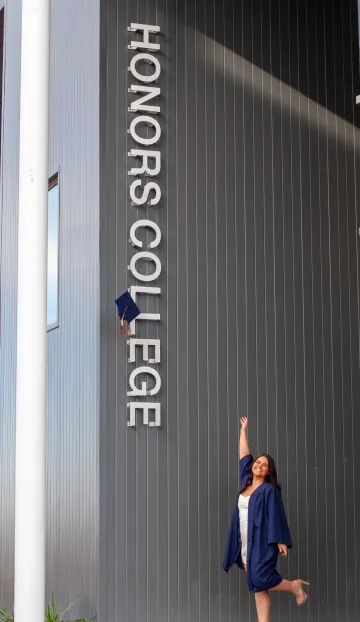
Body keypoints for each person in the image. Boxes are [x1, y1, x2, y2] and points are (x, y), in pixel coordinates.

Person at [223, 417, 309, 622]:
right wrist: (243, 431)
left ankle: (293, 586)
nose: (259, 466)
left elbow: (277, 514)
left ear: (268, 471)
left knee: (261, 577)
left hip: (262, 542)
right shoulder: (246, 481)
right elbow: (244, 456)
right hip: (245, 541)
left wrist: (280, 539)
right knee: (257, 585)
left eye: (264, 465)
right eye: (258, 462)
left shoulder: (269, 490)